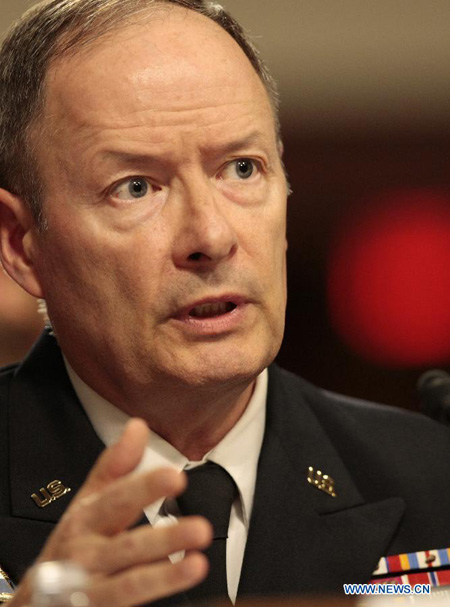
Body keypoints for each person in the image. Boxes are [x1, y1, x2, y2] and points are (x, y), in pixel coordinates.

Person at [0, 1, 449, 606]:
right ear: (21, 245)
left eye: (242, 168)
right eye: (136, 187)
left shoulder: (434, 478)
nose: (211, 237)